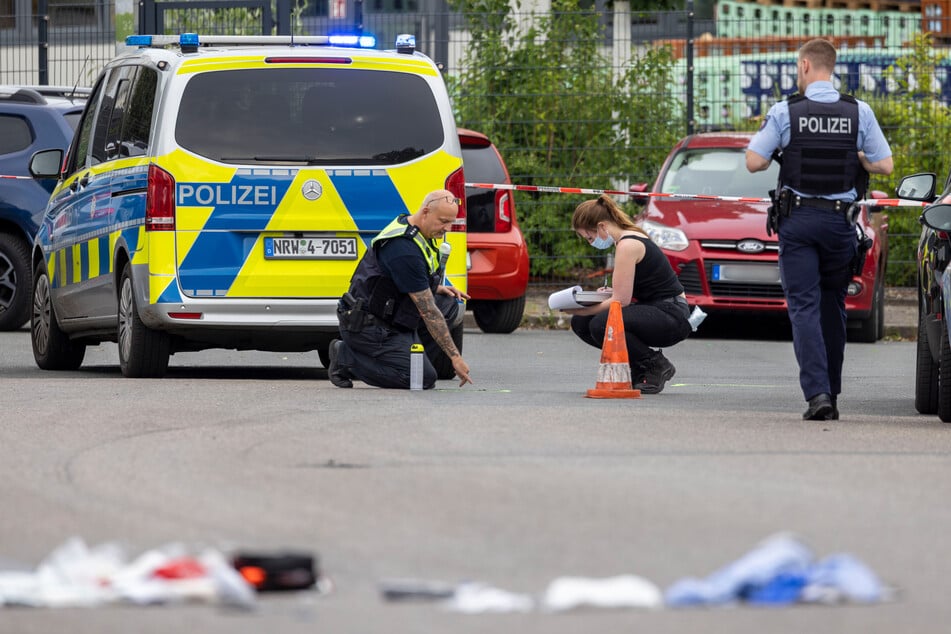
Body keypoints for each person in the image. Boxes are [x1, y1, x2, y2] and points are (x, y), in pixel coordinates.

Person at [746, 38, 893, 421]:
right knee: (833, 307)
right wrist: (858, 157)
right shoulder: (858, 111)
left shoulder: (786, 111)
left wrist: (780, 152)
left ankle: (818, 395)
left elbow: (753, 161)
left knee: (804, 307)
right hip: (840, 223)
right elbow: (886, 166)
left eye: (798, 67)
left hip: (798, 222)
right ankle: (833, 391)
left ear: (807, 65)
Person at [328, 190, 473, 389]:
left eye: (451, 222)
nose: (447, 228)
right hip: (368, 325)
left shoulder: (416, 228)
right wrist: (455, 357)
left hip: (389, 312)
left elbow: (403, 278)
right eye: (443, 221)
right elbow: (428, 310)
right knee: (421, 379)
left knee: (448, 305)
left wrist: (436, 287)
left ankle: (413, 359)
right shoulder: (403, 249)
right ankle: (345, 356)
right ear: (425, 212)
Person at [563, 194, 692, 394]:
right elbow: (627, 292)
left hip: (672, 314)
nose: (590, 243)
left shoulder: (628, 245)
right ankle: (638, 366)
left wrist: (582, 310)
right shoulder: (623, 241)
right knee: (581, 324)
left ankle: (653, 364)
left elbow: (620, 302)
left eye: (590, 237)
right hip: (655, 308)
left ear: (602, 226)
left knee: (600, 323)